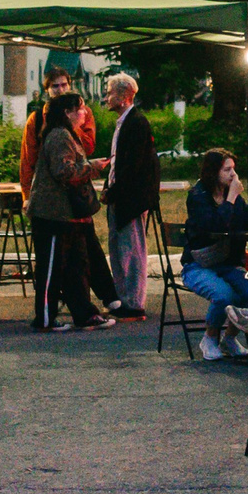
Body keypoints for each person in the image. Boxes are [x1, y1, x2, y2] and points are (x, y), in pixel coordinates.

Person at [26, 91, 115, 332]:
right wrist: (91, 167)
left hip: (67, 215)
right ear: (67, 113)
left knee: (77, 266)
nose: (85, 112)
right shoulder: (59, 136)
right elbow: (63, 171)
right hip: (52, 214)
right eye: (81, 108)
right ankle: (45, 318)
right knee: (52, 268)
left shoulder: (66, 134)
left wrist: (88, 166)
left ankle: (84, 314)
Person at [182, 147, 248, 360]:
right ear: (213, 172)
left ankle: (229, 338)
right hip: (198, 265)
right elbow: (214, 227)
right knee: (224, 295)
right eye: (227, 170)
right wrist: (231, 197)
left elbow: (246, 219)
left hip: (227, 263)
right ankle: (210, 337)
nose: (232, 174)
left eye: (233, 169)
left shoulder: (233, 197)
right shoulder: (198, 196)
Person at [94, 72, 158, 317]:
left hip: (130, 199)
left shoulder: (136, 123)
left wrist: (114, 191)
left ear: (123, 96)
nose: (107, 97)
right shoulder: (127, 122)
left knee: (130, 250)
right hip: (124, 197)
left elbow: (132, 166)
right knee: (121, 250)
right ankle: (125, 299)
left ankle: (133, 301)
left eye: (110, 93)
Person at [16, 65, 75, 198]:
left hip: (73, 188)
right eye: (55, 86)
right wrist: (26, 194)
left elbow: (88, 147)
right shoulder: (36, 119)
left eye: (64, 85)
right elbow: (27, 158)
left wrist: (74, 124)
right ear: (47, 90)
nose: (61, 90)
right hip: (45, 189)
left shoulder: (81, 113)